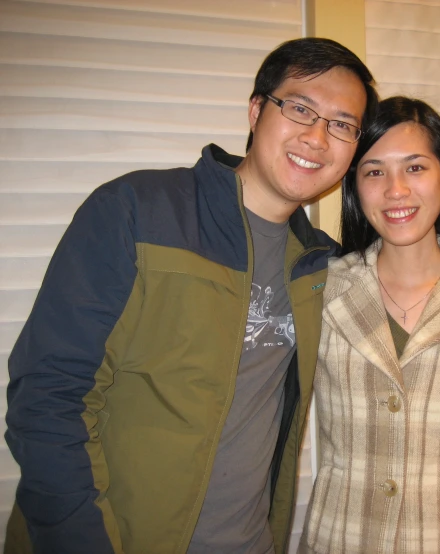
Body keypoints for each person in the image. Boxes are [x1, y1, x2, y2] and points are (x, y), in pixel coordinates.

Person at [4, 37, 378, 554]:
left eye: (342, 124)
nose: (317, 137)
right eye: (300, 108)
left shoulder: (322, 266)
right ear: (255, 111)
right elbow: (48, 397)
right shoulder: (136, 210)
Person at [299, 97, 440, 553]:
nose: (395, 190)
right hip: (341, 536)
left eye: (415, 168)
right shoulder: (322, 290)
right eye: (374, 171)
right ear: (355, 186)